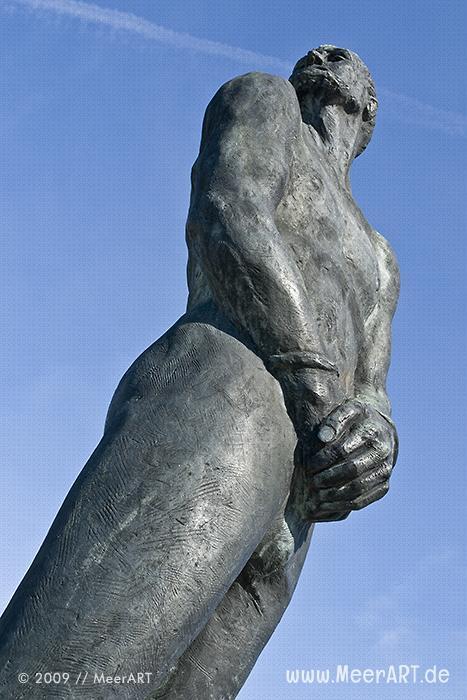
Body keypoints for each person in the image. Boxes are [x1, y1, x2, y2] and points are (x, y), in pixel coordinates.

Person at [0, 46, 399, 699]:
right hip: (229, 391)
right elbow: (229, 211)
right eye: (319, 52)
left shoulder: (381, 259)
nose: (324, 54)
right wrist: (320, 392)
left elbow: (374, 391)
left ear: (370, 109)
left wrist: (375, 443)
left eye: (348, 57)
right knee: (75, 671)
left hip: (303, 495)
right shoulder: (265, 99)